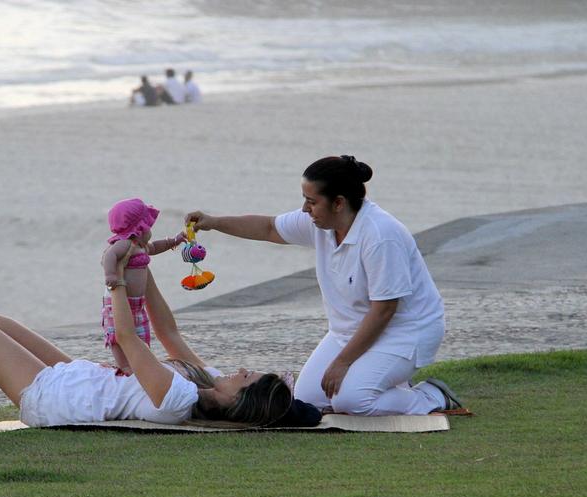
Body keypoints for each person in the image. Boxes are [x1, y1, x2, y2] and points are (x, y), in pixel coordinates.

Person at [0, 249, 294, 430]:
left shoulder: (177, 397)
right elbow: (167, 331)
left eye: (246, 377)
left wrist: (113, 278)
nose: (240, 369)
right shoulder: (204, 379)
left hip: (58, 400)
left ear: (238, 402)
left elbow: (125, 337)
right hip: (84, 379)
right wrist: (144, 268)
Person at [185, 155, 464, 416]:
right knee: (308, 400)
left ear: (339, 203)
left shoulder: (380, 235)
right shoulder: (319, 222)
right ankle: (387, 383)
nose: (305, 209)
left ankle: (431, 395)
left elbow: (385, 310)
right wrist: (214, 222)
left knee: (351, 401)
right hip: (350, 331)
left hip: (406, 333)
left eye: (311, 201)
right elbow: (269, 228)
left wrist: (342, 362)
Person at [101, 198, 185, 373]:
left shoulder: (142, 246)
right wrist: (110, 274)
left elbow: (157, 246)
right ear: (138, 229)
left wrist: (174, 241)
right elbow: (109, 256)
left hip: (137, 303)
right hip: (121, 303)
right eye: (148, 227)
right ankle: (124, 365)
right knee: (117, 334)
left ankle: (140, 360)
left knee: (140, 331)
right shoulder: (124, 245)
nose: (150, 231)